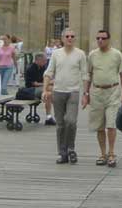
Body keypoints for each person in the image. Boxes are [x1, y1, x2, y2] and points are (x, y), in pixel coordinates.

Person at [43, 28, 88, 164]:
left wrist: (85, 93)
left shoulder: (80, 54)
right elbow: (49, 72)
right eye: (67, 36)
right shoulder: (56, 54)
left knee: (71, 121)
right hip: (58, 91)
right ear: (62, 39)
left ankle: (71, 148)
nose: (69, 38)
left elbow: (85, 74)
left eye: (72, 36)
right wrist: (45, 89)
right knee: (60, 124)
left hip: (73, 91)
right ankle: (62, 152)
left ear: (75, 39)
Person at [84, 29, 122, 168]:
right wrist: (86, 93)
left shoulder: (116, 54)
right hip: (97, 92)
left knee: (111, 124)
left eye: (102, 38)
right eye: (98, 38)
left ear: (109, 39)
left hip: (113, 91)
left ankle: (112, 153)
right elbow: (88, 75)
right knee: (100, 126)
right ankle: (102, 154)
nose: (100, 41)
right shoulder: (92, 55)